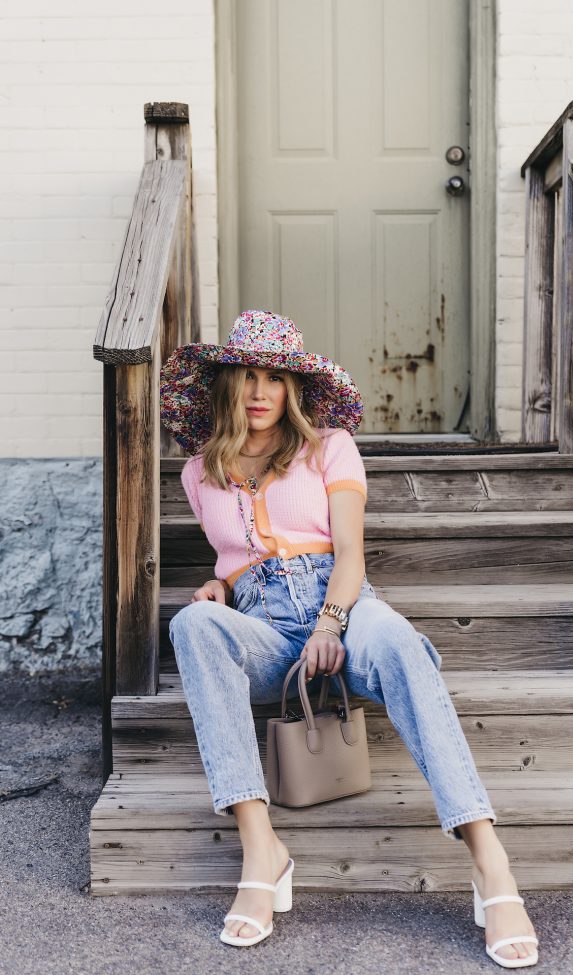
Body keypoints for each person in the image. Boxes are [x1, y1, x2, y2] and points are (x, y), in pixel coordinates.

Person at [160, 309, 539, 967]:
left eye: (274, 378)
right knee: (191, 624)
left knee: (398, 643)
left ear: (293, 390)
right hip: (263, 626)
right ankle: (262, 848)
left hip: (345, 606)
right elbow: (234, 553)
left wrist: (331, 622)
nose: (258, 391)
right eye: (246, 375)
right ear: (225, 384)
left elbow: (351, 555)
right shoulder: (200, 472)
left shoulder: (329, 446)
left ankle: (490, 862)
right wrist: (221, 587)